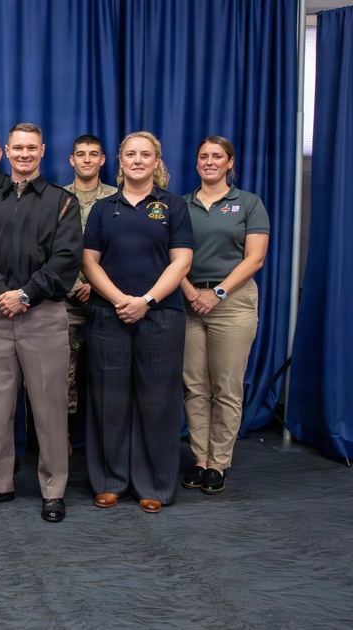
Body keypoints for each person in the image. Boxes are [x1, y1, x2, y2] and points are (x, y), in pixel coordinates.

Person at [0, 123, 82, 521]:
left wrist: (26, 294)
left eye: (31, 148)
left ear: (42, 150)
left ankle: (53, 489)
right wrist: (2, 293)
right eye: (17, 148)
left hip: (43, 316)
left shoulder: (62, 202)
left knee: (49, 408)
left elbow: (66, 259)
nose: (24, 154)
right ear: (6, 152)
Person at [82, 131, 193, 514]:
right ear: (120, 160)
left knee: (157, 401)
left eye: (146, 154)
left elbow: (181, 262)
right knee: (108, 400)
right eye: (131, 154)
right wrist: (119, 300)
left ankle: (154, 484)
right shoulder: (102, 208)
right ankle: (110, 481)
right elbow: (89, 261)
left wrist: (146, 301)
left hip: (161, 316)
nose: (138, 160)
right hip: (107, 315)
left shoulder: (173, 206)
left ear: (157, 161)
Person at [180, 136, 269, 494]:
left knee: (226, 387)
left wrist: (217, 294)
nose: (209, 161)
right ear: (196, 162)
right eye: (203, 156)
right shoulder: (181, 204)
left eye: (217, 156)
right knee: (194, 387)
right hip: (189, 300)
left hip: (231, 302)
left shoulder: (248, 203)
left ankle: (219, 462)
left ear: (230, 162)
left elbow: (255, 258)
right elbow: (170, 254)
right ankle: (200, 460)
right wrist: (190, 292)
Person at [63, 135, 117, 418]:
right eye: (81, 154)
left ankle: (103, 437)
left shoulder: (117, 198)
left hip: (108, 302)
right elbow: (50, 251)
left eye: (93, 154)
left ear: (102, 160)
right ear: (72, 160)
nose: (87, 159)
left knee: (108, 375)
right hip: (66, 303)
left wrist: (95, 286)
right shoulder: (57, 198)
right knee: (62, 375)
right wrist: (77, 284)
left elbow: (123, 251)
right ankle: (64, 436)